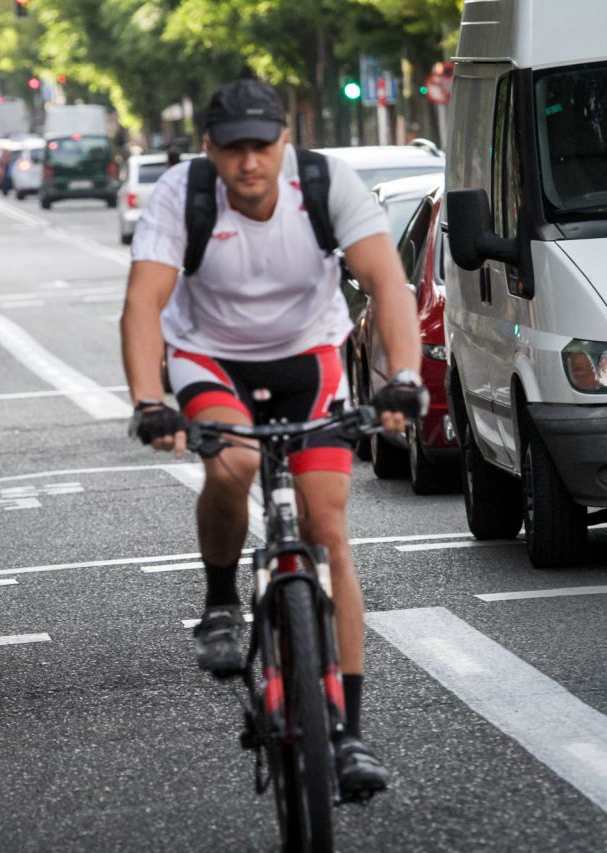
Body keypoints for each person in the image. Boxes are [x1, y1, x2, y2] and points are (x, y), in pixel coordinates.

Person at [119, 79, 426, 800]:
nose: (249, 162)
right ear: (209, 149)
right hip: (211, 358)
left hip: (308, 358)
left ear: (285, 141)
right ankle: (221, 600)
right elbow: (143, 301)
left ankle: (348, 734)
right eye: (233, 149)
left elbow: (388, 284)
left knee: (328, 531)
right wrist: (148, 402)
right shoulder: (182, 194)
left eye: (262, 145)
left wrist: (405, 380)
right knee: (235, 461)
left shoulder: (325, 184)